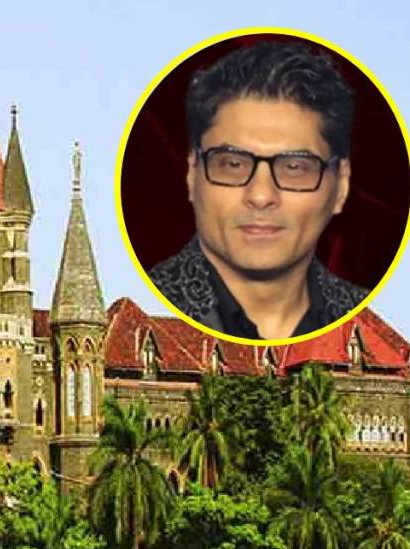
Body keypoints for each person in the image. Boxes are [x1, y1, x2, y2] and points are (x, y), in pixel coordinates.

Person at [148, 41, 368, 340]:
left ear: (341, 185)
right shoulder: (155, 307)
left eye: (294, 167)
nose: (261, 196)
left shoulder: (359, 318)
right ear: (192, 174)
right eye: (233, 164)